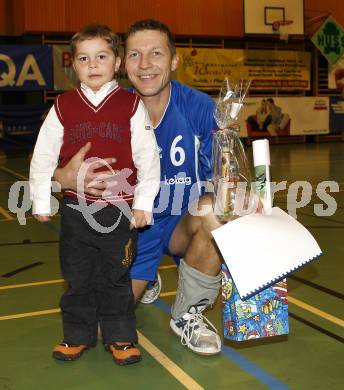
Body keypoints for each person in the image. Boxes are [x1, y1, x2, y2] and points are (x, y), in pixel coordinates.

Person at [54, 19, 224, 356]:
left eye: (156, 53)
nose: (145, 64)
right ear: (122, 63)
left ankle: (188, 314)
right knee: (104, 330)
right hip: (128, 229)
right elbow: (48, 162)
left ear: (174, 60)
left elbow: (226, 172)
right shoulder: (106, 108)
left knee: (215, 209)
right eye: (135, 54)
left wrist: (243, 192)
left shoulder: (200, 108)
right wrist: (62, 177)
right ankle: (145, 275)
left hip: (181, 223)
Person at [29, 23, 160, 365]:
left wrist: (143, 203)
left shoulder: (131, 106)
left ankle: (121, 338)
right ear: (73, 65)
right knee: (77, 277)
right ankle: (76, 335)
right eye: (84, 58)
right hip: (75, 210)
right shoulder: (63, 106)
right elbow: (43, 156)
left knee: (115, 278)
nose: (93, 64)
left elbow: (148, 157)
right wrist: (42, 199)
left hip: (117, 212)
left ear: (116, 62)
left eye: (101, 56)